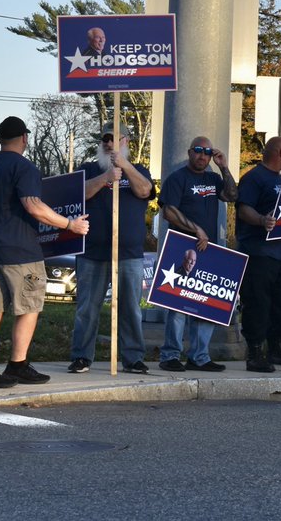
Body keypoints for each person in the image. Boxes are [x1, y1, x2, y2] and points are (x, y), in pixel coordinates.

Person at [0, 116, 89, 389]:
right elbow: (33, 205)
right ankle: (18, 365)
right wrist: (70, 225)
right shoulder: (24, 168)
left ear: (1, 139)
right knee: (30, 308)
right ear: (24, 138)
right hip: (21, 252)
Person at [69, 123, 154, 375]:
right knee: (87, 308)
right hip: (93, 253)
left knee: (130, 308)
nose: (108, 144)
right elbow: (78, 194)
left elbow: (145, 191)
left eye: (114, 139)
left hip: (128, 255)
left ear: (126, 142)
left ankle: (133, 358)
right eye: (105, 139)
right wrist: (106, 178)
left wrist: (125, 168)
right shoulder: (89, 170)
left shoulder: (138, 170)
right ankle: (82, 356)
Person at [157, 135, 237, 373]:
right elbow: (169, 212)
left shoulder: (214, 179)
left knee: (206, 304)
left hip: (209, 250)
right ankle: (170, 355)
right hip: (182, 247)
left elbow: (232, 196)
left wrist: (224, 167)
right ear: (190, 152)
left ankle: (199, 357)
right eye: (198, 151)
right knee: (178, 305)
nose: (203, 156)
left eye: (208, 153)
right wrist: (196, 229)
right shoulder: (177, 178)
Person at [236, 137, 281, 372]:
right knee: (258, 304)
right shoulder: (254, 178)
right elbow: (243, 208)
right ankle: (256, 353)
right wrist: (261, 220)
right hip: (258, 252)